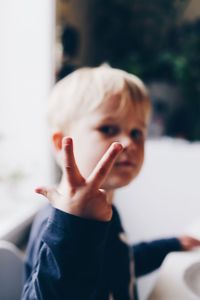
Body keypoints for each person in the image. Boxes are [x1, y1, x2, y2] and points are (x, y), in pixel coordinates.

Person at [22, 66, 200, 300]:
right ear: (60, 143)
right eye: (108, 129)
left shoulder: (104, 211)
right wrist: (74, 226)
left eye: (137, 133)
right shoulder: (56, 227)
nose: (128, 142)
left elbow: (118, 260)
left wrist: (171, 244)